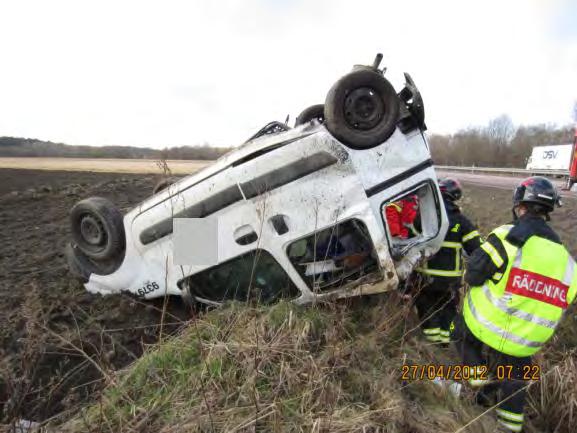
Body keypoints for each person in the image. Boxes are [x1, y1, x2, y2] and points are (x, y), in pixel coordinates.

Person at [452, 176, 576, 433]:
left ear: (520, 207)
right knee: (516, 377)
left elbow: (473, 275)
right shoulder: (567, 262)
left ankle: (481, 388)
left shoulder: (506, 237)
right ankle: (510, 426)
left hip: (487, 324)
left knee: (460, 335)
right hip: (528, 340)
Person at [413, 178, 482, 343]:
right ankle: (445, 342)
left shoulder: (423, 217)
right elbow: (477, 249)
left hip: (426, 277)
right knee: (448, 309)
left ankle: (431, 344)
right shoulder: (461, 221)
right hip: (450, 279)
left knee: (427, 307)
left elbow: (409, 240)